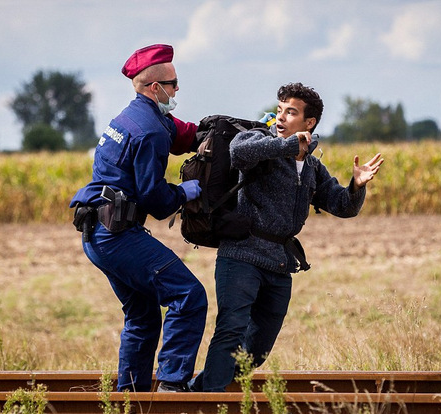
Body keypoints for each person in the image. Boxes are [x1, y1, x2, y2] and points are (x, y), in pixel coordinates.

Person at [190, 82, 384, 392]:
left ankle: (200, 388)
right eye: (280, 110)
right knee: (231, 331)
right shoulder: (259, 140)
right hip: (240, 256)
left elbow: (342, 205)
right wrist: (287, 145)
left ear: (310, 123)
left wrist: (357, 186)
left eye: (290, 112)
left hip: (279, 265)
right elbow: (239, 151)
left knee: (259, 346)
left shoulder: (311, 167)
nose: (281, 117)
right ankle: (210, 400)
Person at [69, 44, 207, 393]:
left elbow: (180, 132)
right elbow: (155, 200)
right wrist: (186, 191)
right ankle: (172, 386)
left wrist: (207, 133)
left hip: (98, 233)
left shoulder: (133, 117)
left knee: (144, 317)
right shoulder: (149, 132)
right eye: (173, 83)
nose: (178, 89)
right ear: (154, 87)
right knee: (188, 295)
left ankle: (130, 397)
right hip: (117, 236)